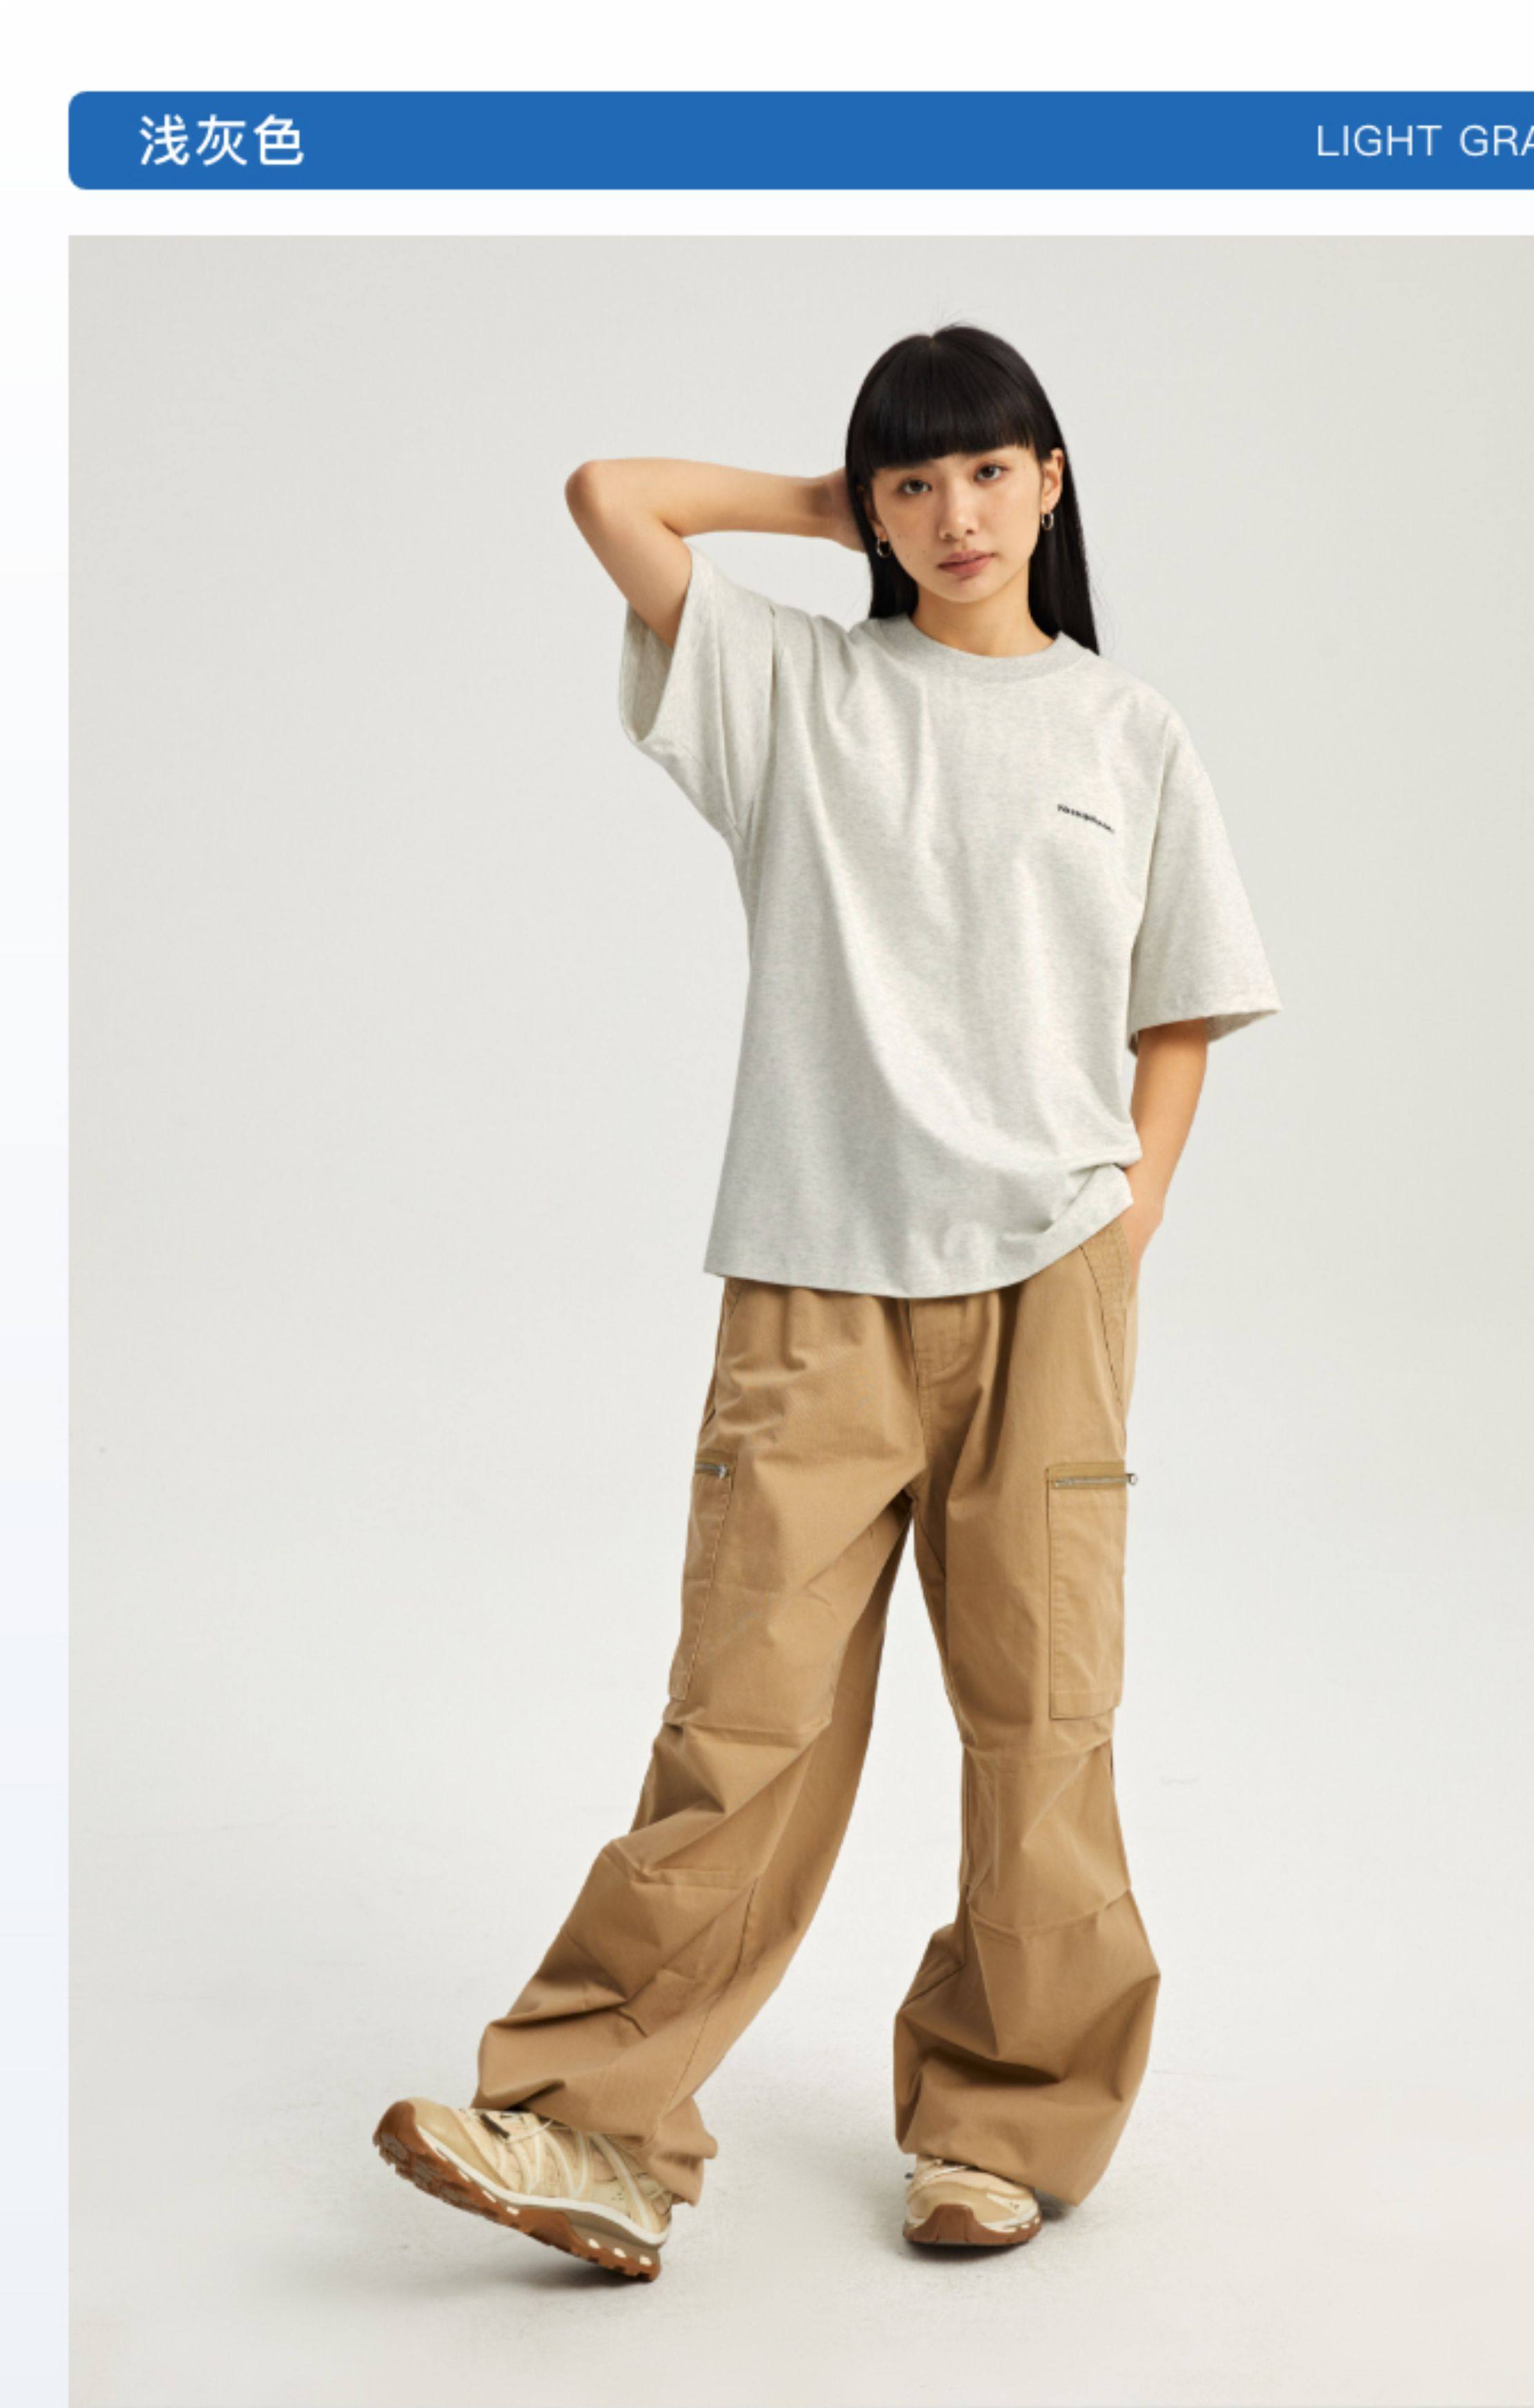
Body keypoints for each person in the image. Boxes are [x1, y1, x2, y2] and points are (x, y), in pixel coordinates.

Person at [374, 323, 1280, 2282]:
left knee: (1044, 1724)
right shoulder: (794, 686)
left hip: (1051, 1287)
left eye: (989, 470)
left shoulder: (1127, 730)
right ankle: (591, 2129)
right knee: (744, 1721)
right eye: (913, 481)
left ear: (1053, 479)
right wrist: (836, 510)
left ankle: (1002, 2130)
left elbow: (1182, 1012)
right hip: (813, 1287)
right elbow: (612, 497)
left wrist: (1121, 1235)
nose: (957, 514)